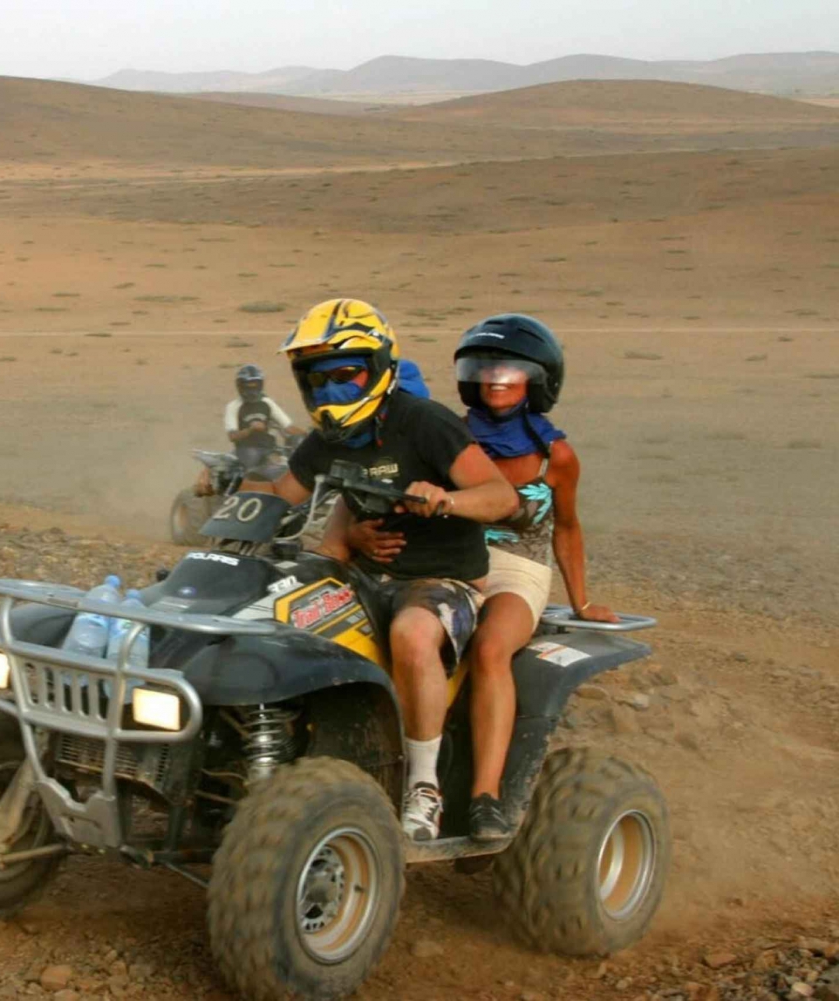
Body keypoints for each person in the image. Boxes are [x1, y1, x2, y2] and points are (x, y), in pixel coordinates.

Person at [237, 298, 518, 842]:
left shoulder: (424, 423)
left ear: (380, 366)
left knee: (411, 634)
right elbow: (280, 497)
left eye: (346, 376)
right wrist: (232, 496)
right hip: (363, 578)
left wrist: (447, 500)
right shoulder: (326, 442)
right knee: (272, 621)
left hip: (443, 581)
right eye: (317, 381)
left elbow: (501, 495)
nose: (330, 391)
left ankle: (423, 787)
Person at [350, 315, 617, 841]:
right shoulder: (449, 434)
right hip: (449, 560)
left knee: (491, 648)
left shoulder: (555, 455)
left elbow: (566, 527)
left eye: (511, 370)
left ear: (538, 380)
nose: (495, 379)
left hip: (517, 568)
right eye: (485, 368)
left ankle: (484, 798)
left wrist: (581, 604)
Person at [224, 363, 302, 472]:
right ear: (240, 386)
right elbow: (232, 436)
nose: (251, 390)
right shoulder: (233, 406)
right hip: (246, 449)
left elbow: (288, 427)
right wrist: (250, 430)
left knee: (287, 468)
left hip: (270, 448)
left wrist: (309, 435)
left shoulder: (267, 403)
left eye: (254, 386)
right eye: (248, 386)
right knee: (253, 471)